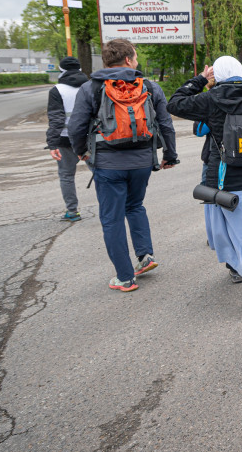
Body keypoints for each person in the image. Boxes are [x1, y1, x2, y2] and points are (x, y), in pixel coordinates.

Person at [67, 38, 178, 292]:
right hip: (142, 163)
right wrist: (170, 154)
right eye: (136, 57)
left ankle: (125, 278)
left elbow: (75, 127)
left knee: (112, 219)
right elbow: (165, 124)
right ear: (128, 60)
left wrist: (82, 152)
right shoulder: (149, 86)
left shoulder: (91, 88)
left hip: (107, 165)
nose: (136, 61)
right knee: (135, 205)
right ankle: (145, 256)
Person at [168, 57, 242, 306]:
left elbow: (174, 104)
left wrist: (200, 80)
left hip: (222, 180)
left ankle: (237, 268)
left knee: (227, 230)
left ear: (216, 75)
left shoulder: (210, 99)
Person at [46, 56, 89, 222]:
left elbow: (56, 119)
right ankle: (110, 209)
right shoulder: (90, 86)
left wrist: (52, 143)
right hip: (88, 139)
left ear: (61, 70)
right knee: (100, 174)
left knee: (66, 176)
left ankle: (72, 212)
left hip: (65, 140)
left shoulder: (57, 90)